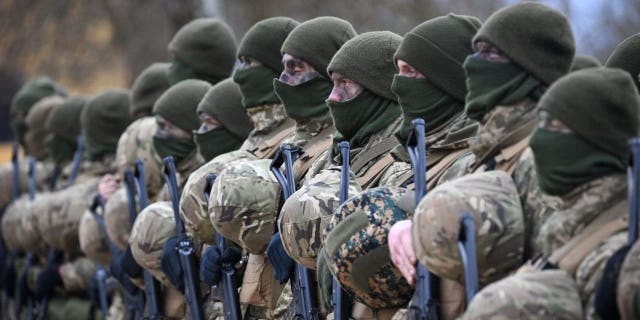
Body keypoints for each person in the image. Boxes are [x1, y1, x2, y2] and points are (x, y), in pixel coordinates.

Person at [461, 67, 639, 319]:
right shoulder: (567, 223)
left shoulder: (617, 259)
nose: (536, 141)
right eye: (540, 123)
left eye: (554, 125)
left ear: (594, 139)